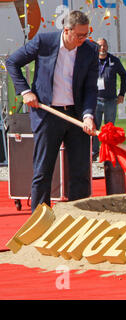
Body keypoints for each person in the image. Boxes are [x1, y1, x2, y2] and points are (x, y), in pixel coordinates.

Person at [6, 10, 98, 212]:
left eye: (87, 34)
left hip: (77, 116)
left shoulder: (90, 50)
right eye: (80, 35)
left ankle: (79, 217)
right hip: (48, 115)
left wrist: (88, 115)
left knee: (80, 173)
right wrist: (25, 91)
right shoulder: (44, 42)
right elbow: (12, 62)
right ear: (67, 30)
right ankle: (40, 219)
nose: (84, 39)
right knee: (43, 171)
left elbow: (91, 88)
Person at [92, 38, 126, 161]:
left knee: (109, 128)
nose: (102, 48)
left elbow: (124, 75)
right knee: (94, 128)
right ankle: (94, 152)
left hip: (111, 100)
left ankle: (108, 153)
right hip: (95, 100)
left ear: (107, 46)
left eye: (104, 46)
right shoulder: (91, 60)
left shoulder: (114, 60)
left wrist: (121, 93)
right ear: (97, 47)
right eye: (100, 46)